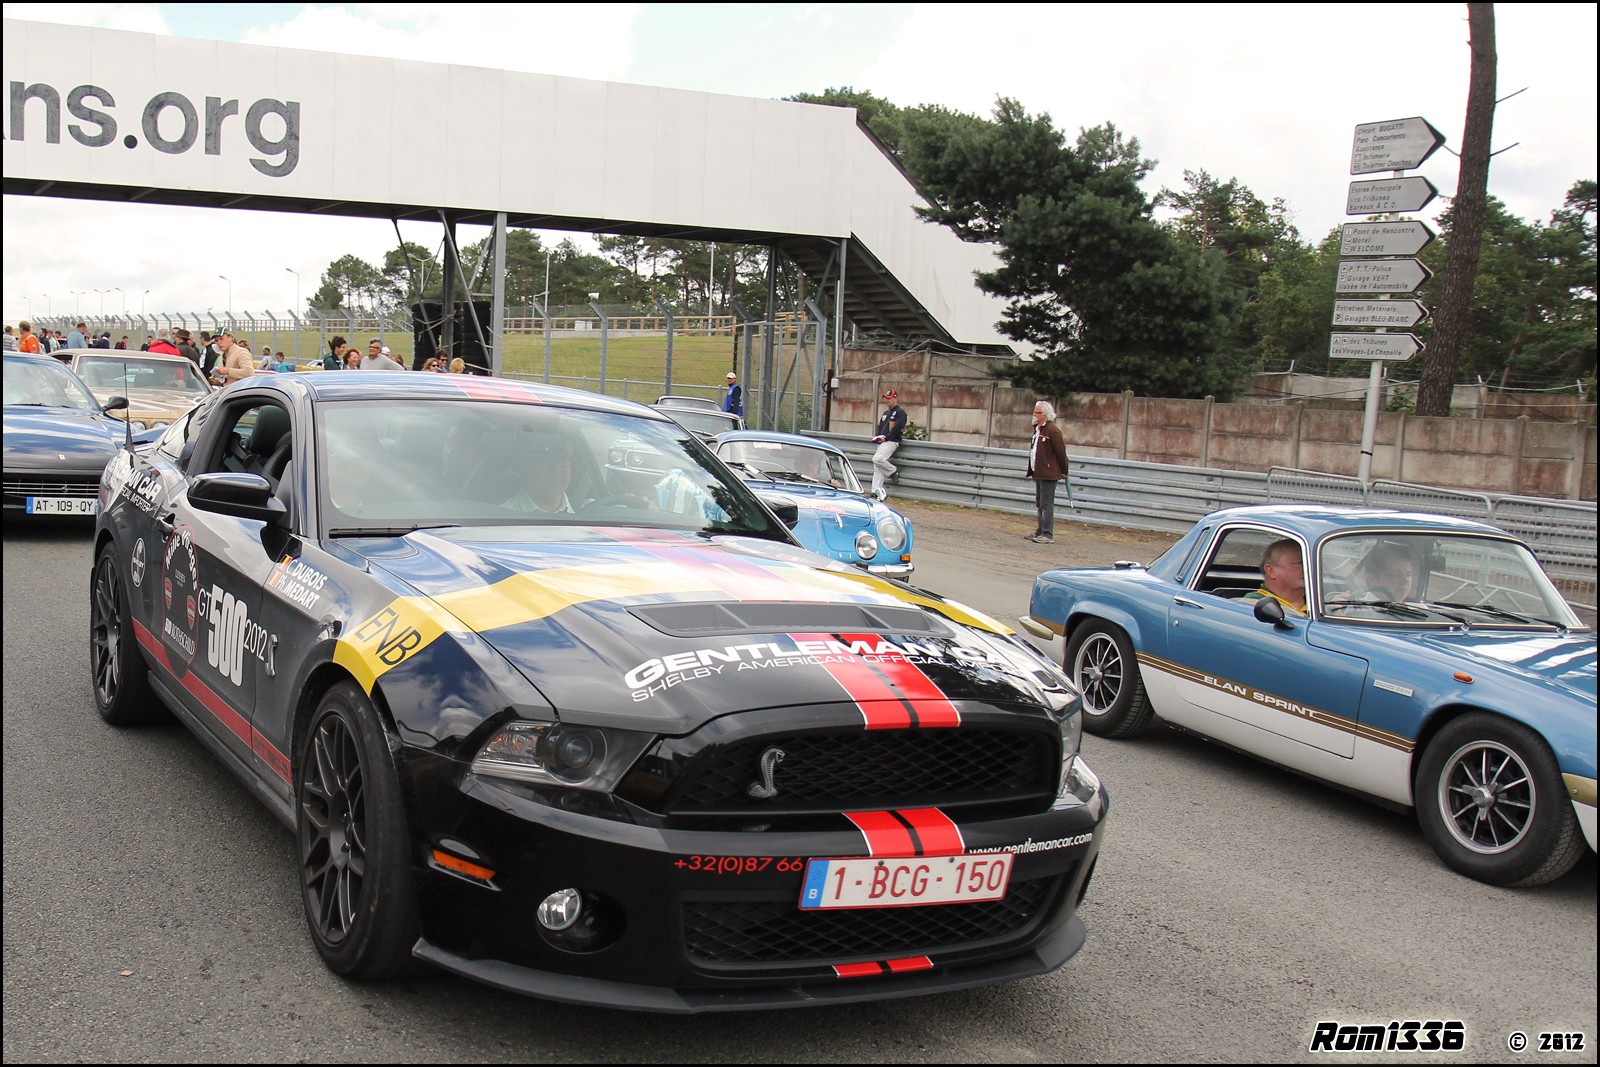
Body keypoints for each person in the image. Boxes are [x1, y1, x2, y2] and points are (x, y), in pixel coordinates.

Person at [1025, 399, 1069, 544]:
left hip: (1049, 473)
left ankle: (1047, 534)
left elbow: (1061, 453)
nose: (1034, 415)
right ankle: (1040, 531)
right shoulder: (1038, 429)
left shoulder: (1053, 430)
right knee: (1039, 503)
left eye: (1037, 412)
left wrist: (1064, 470)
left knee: (1046, 504)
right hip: (1038, 471)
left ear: (1045, 414)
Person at [505, 438, 580, 515]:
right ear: (525, 465)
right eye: (546, 459)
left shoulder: (587, 514)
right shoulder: (502, 517)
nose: (556, 468)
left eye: (564, 459)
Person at [1243, 539, 1308, 616]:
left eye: (1309, 563)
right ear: (1271, 571)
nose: (1308, 568)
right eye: (1299, 563)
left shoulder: (1320, 604)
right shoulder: (1250, 606)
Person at [1343, 542, 1418, 603]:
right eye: (1396, 575)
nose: (1404, 581)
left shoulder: (1420, 611)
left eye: (1408, 575)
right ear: (1372, 580)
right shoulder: (1356, 609)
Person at [869, 388, 907, 502]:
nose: (887, 401)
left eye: (890, 398)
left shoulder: (900, 412)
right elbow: (880, 426)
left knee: (877, 459)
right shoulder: (885, 413)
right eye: (886, 398)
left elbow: (897, 428)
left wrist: (887, 437)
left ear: (896, 399)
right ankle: (875, 491)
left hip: (892, 441)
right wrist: (878, 436)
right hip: (882, 441)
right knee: (877, 467)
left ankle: (892, 470)